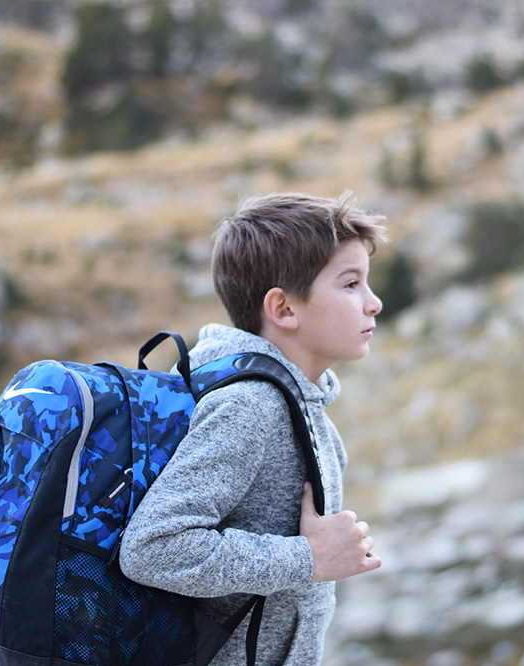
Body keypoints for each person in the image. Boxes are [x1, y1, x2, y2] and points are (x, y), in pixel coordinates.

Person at [119, 191, 387, 665]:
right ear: (284, 309)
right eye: (351, 284)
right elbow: (153, 547)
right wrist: (309, 558)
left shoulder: (304, 408)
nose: (374, 303)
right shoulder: (250, 406)